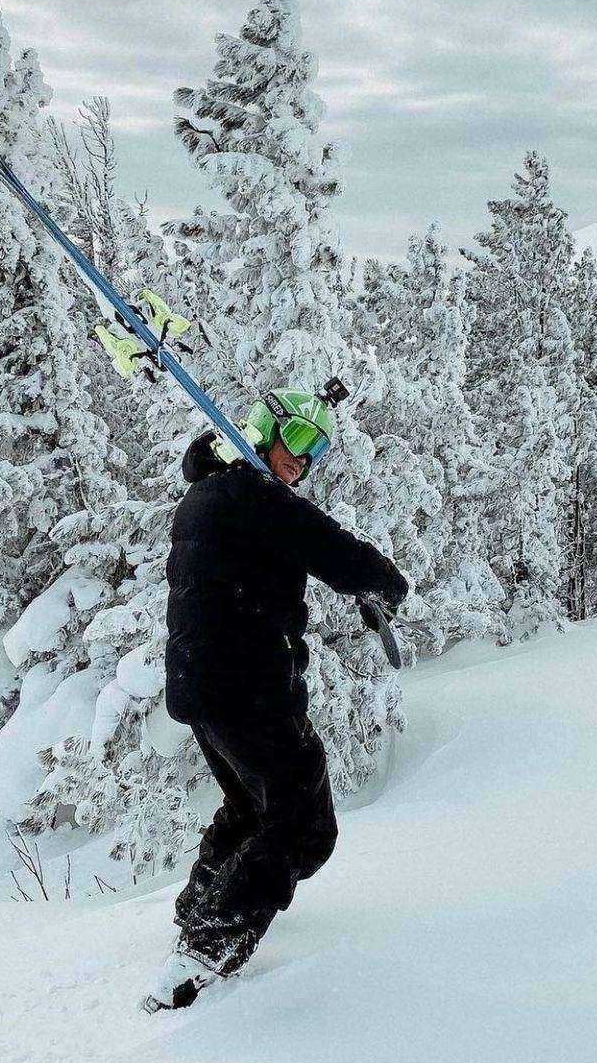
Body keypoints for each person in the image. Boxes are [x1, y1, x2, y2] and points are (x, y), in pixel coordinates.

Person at [144, 386, 408, 1011]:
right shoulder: (251, 495)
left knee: (248, 805)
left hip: (204, 686)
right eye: (299, 440)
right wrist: (383, 584)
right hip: (247, 684)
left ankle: (200, 907)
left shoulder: (210, 495)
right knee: (303, 824)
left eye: (318, 449)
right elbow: (327, 544)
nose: (304, 459)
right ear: (265, 432)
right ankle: (204, 950)